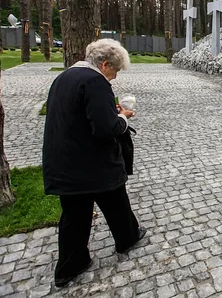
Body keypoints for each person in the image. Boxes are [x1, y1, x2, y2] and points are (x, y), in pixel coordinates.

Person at [42, 39, 146, 288]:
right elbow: (106, 128)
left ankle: (70, 265)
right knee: (115, 199)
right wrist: (122, 116)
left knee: (75, 214)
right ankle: (127, 237)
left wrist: (110, 110)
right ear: (105, 64)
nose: (115, 76)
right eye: (115, 70)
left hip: (66, 160)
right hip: (92, 162)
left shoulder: (66, 77)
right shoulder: (95, 82)